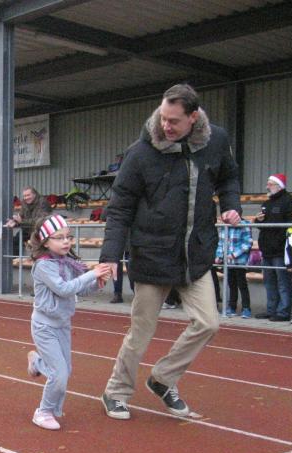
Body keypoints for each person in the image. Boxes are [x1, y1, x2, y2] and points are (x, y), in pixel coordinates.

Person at [99, 83, 241, 420]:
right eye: (163, 118)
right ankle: (115, 392)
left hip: (195, 255)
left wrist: (231, 205)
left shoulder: (216, 141)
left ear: (194, 117)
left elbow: (229, 178)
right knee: (141, 332)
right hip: (152, 254)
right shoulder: (140, 153)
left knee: (208, 323)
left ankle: (163, 379)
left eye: (174, 120)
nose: (166, 126)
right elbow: (119, 208)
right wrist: (110, 256)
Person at [26, 214, 113, 430]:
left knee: (65, 370)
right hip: (44, 326)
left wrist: (97, 282)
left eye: (69, 237)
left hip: (62, 324)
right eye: (59, 238)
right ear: (46, 241)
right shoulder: (44, 265)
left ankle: (37, 363)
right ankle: (43, 412)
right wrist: (91, 274)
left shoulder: (67, 263)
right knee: (60, 374)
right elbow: (64, 289)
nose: (66, 241)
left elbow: (79, 289)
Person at [253, 173, 292, 321]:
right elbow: (262, 226)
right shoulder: (267, 203)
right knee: (269, 282)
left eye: (270, 184)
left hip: (281, 250)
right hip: (267, 249)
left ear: (279, 186)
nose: (267, 187)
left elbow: (291, 224)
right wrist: (258, 220)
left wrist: (280, 241)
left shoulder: (289, 201)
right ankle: (271, 309)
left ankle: (283, 311)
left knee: (283, 282)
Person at [214, 215, 253, 318]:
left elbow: (248, 243)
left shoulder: (243, 226)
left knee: (242, 285)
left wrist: (234, 254)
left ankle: (246, 308)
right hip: (228, 262)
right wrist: (219, 256)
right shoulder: (224, 227)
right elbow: (221, 243)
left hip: (239, 261)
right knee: (231, 285)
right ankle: (232, 307)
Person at [6, 186, 53, 254]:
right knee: (15, 241)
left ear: (34, 194)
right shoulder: (24, 203)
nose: (26, 198)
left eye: (28, 195)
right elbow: (21, 216)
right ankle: (15, 259)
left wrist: (21, 222)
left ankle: (40, 259)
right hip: (28, 229)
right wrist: (14, 221)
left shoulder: (43, 202)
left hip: (40, 230)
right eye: (24, 196)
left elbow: (39, 221)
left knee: (38, 247)